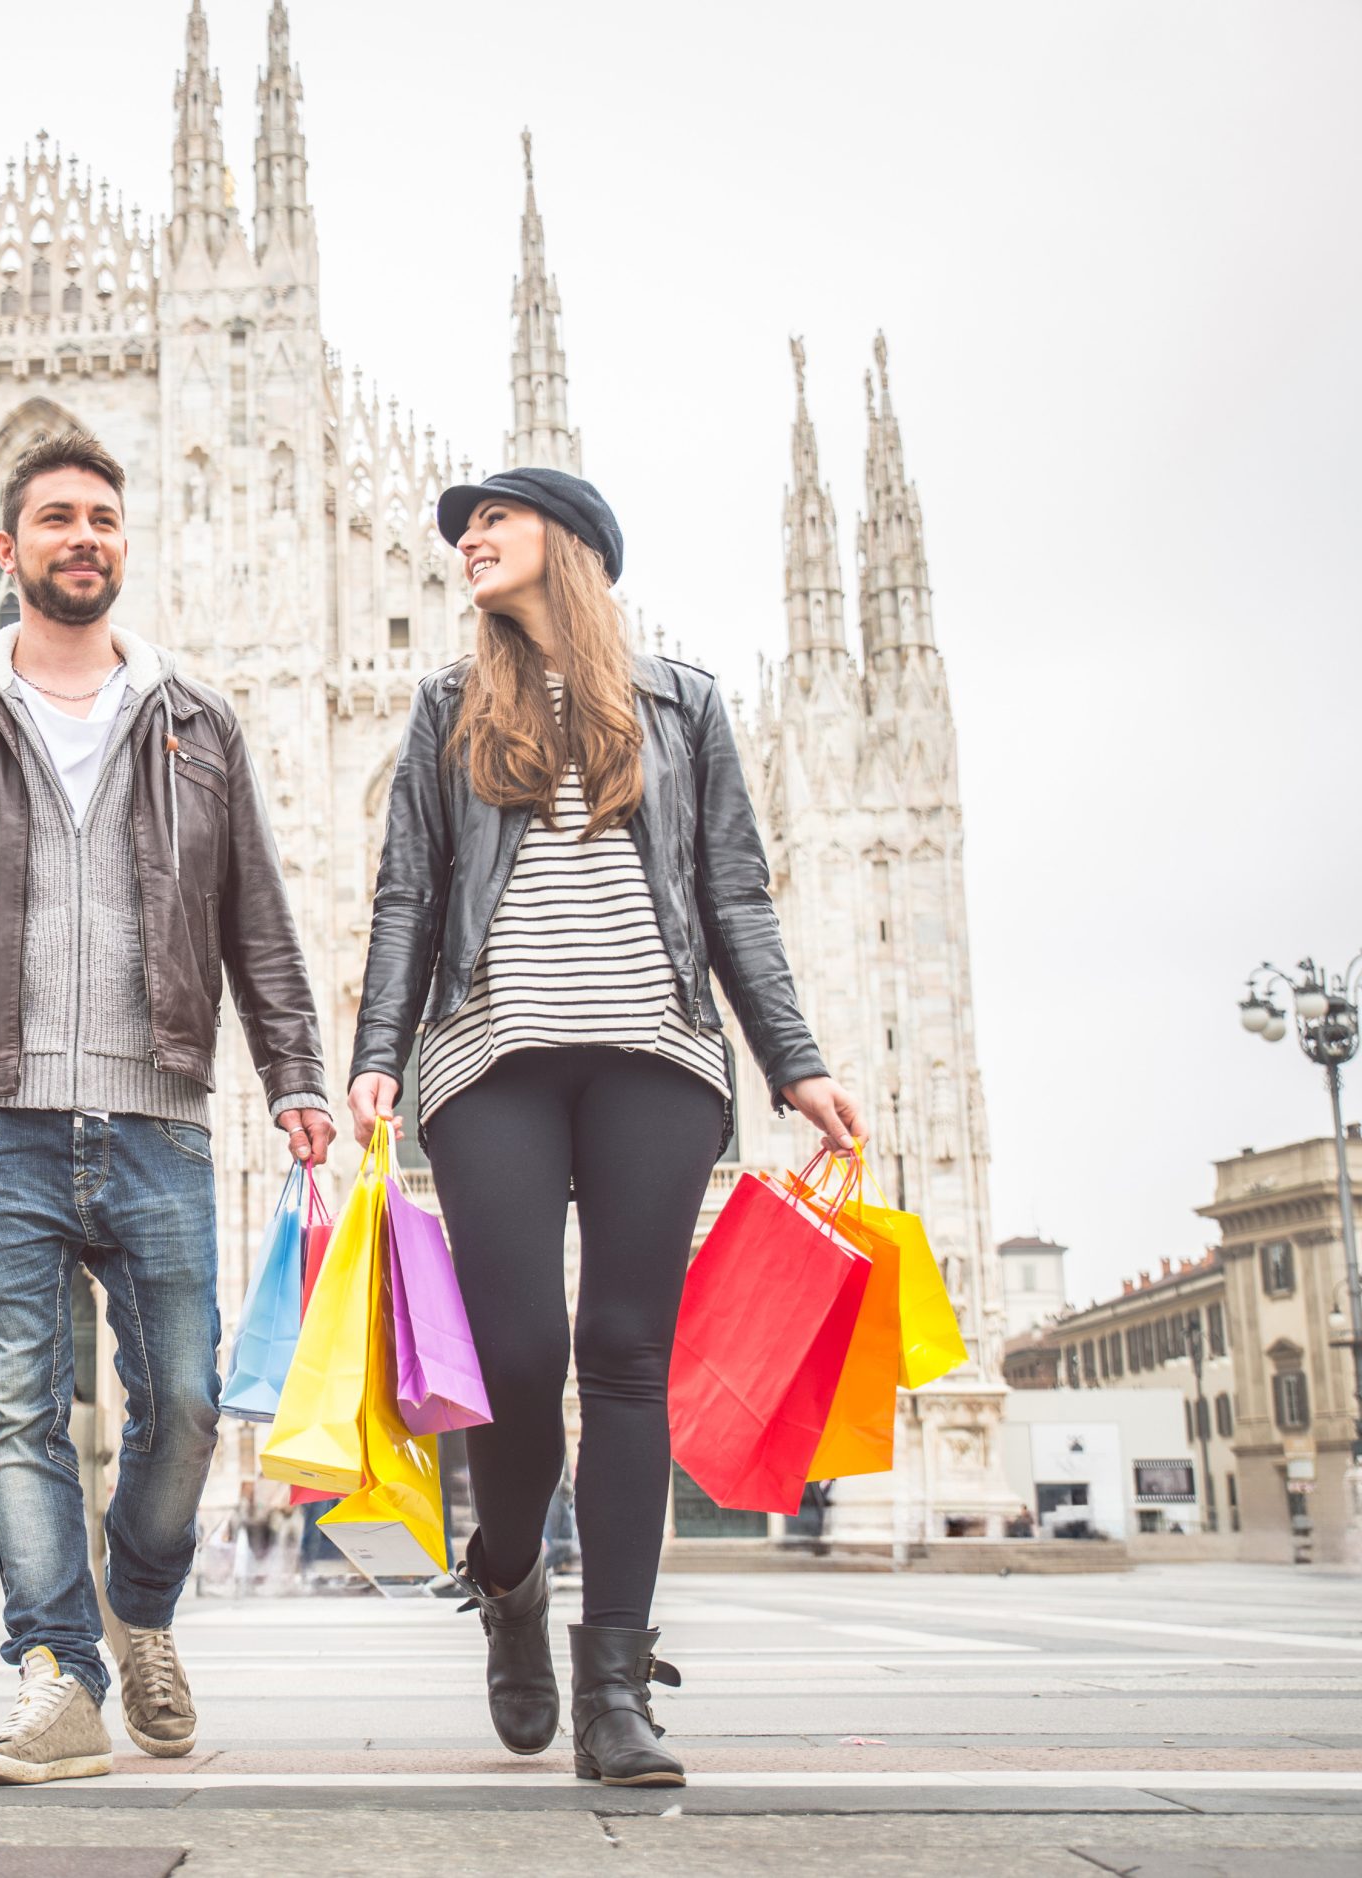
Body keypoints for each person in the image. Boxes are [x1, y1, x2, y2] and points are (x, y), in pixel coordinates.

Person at [0, 430, 336, 1786]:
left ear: (125, 543)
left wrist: (296, 1070)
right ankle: (55, 1674)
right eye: (55, 517)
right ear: (8, 550)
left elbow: (260, 921)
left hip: (161, 1114)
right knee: (17, 1410)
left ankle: (145, 1606)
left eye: (103, 518)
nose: (82, 537)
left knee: (183, 1396)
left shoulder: (194, 720)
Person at [349, 467, 863, 1789]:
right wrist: (371, 1062)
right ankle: (509, 1577)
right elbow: (410, 893)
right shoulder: (447, 706)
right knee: (515, 1352)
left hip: (660, 1055)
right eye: (464, 524)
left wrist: (794, 1062)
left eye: (495, 519)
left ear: (571, 546)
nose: (469, 536)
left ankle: (619, 1684)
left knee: (627, 1352)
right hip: (490, 1058)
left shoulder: (683, 701)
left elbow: (734, 893)